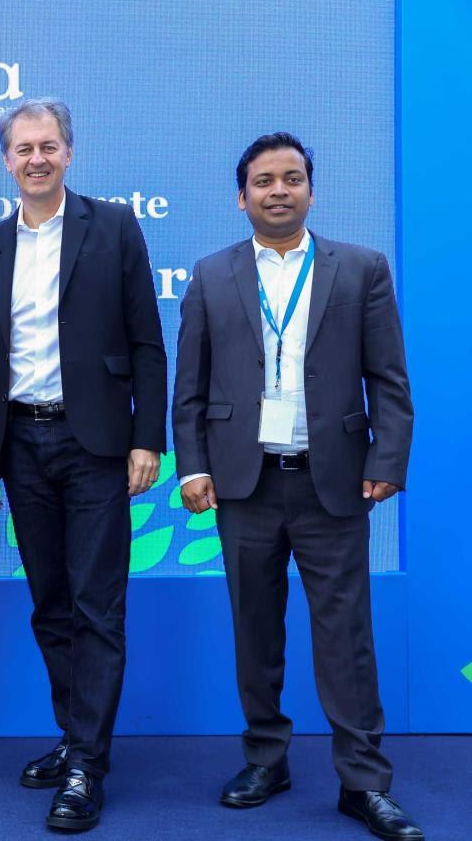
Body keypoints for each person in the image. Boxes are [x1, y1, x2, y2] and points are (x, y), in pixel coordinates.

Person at [173, 133, 422, 840]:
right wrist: (192, 466)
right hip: (244, 483)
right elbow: (189, 389)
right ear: (241, 197)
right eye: (263, 181)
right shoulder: (211, 275)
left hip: (332, 481)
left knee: (346, 636)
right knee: (255, 630)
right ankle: (265, 759)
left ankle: (364, 781)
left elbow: (389, 379)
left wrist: (387, 459)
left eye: (291, 178)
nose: (277, 190)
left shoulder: (361, 269)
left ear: (311, 190)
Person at [0, 98, 166, 831]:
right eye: (24, 148)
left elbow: (147, 341)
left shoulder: (113, 226)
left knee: (96, 605)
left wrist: (148, 438)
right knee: (50, 603)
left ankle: (87, 767)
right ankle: (78, 738)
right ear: (6, 162)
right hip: (19, 444)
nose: (37, 158)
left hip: (97, 445)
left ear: (68, 153)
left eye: (48, 146)